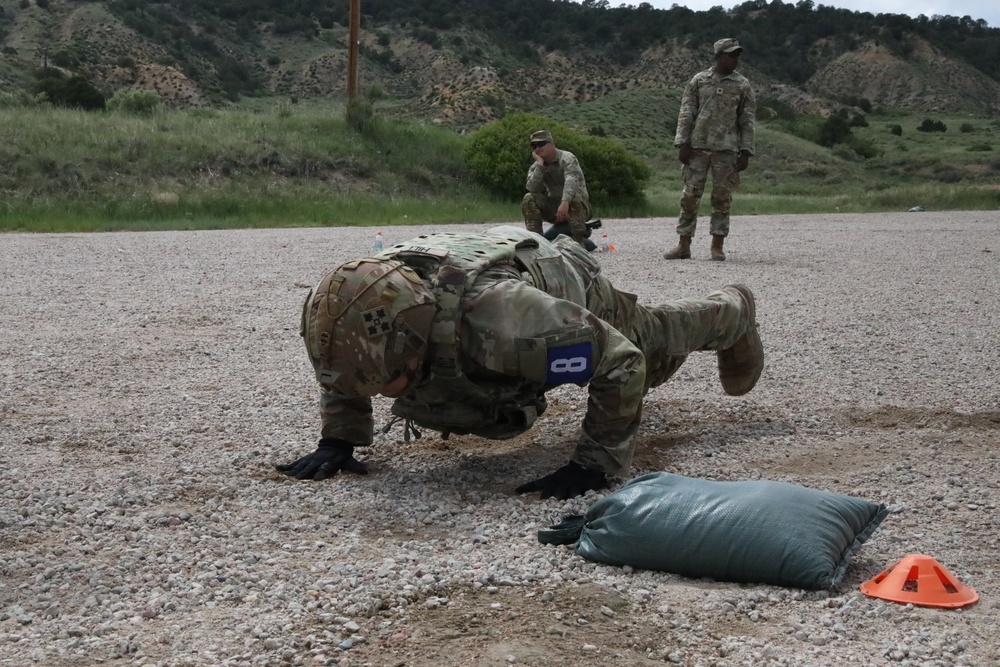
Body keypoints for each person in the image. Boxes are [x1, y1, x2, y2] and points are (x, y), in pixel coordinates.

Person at [279, 226, 763, 499]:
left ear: (421, 339)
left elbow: (621, 364)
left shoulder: (504, 324)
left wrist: (593, 466)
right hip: (482, 259)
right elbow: (350, 367)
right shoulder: (362, 312)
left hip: (565, 281)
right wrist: (338, 439)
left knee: (653, 344)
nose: (389, 394)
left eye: (393, 383)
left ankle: (734, 309)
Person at [665, 37, 756, 262]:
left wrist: (746, 151)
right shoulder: (699, 80)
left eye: (737, 55)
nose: (736, 59)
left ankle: (717, 246)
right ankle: (683, 245)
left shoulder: (742, 84)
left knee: (722, 198)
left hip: (727, 149)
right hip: (698, 148)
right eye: (731, 54)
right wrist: (682, 143)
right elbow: (686, 112)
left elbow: (747, 120)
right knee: (689, 196)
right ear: (718, 56)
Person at [521, 130, 596, 252]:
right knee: (529, 197)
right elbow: (532, 188)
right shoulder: (536, 166)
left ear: (552, 144)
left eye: (541, 144)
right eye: (534, 146)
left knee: (574, 196)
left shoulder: (567, 158)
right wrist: (540, 166)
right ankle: (537, 242)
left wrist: (565, 201)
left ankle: (578, 241)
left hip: (578, 207)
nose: (537, 148)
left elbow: (572, 180)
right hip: (555, 209)